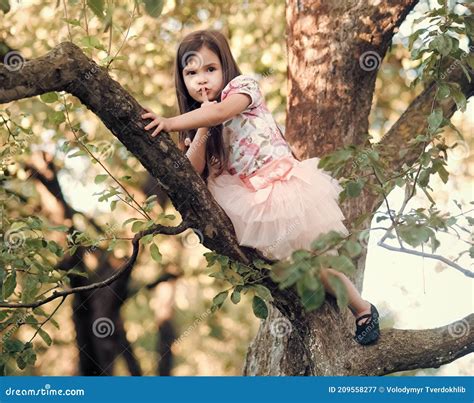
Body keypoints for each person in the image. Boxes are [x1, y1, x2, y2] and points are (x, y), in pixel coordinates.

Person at [140, 29, 380, 345]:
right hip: (249, 197)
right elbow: (190, 170)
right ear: (181, 79)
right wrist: (199, 129)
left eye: (210, 69)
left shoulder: (243, 88)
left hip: (282, 185)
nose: (202, 79)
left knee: (313, 261)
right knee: (285, 263)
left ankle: (362, 308)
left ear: (225, 66)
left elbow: (221, 111)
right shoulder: (199, 121)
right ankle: (297, 296)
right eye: (192, 73)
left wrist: (170, 122)